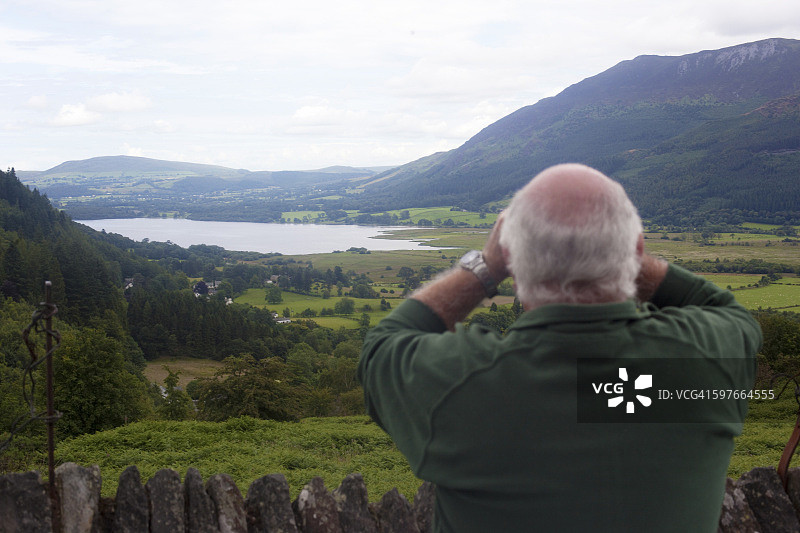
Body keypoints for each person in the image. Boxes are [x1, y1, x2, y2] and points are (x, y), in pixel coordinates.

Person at [358, 163, 762, 532]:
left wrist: (486, 266)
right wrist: (615, 252)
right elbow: (725, 310)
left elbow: (384, 344)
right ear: (636, 252)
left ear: (512, 260)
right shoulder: (710, 360)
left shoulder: (459, 386)